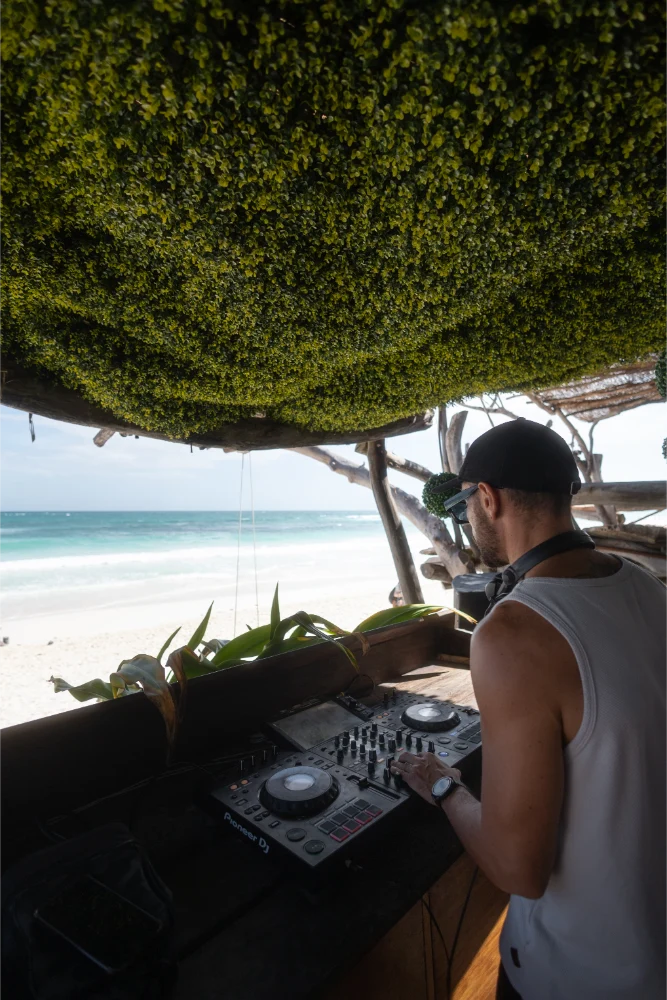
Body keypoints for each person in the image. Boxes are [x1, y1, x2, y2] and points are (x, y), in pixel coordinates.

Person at [390, 418, 667, 1000]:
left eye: (466, 504)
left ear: (486, 499)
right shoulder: (648, 588)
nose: (468, 518)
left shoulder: (515, 631)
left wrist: (446, 787)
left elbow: (519, 870)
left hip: (575, 974)